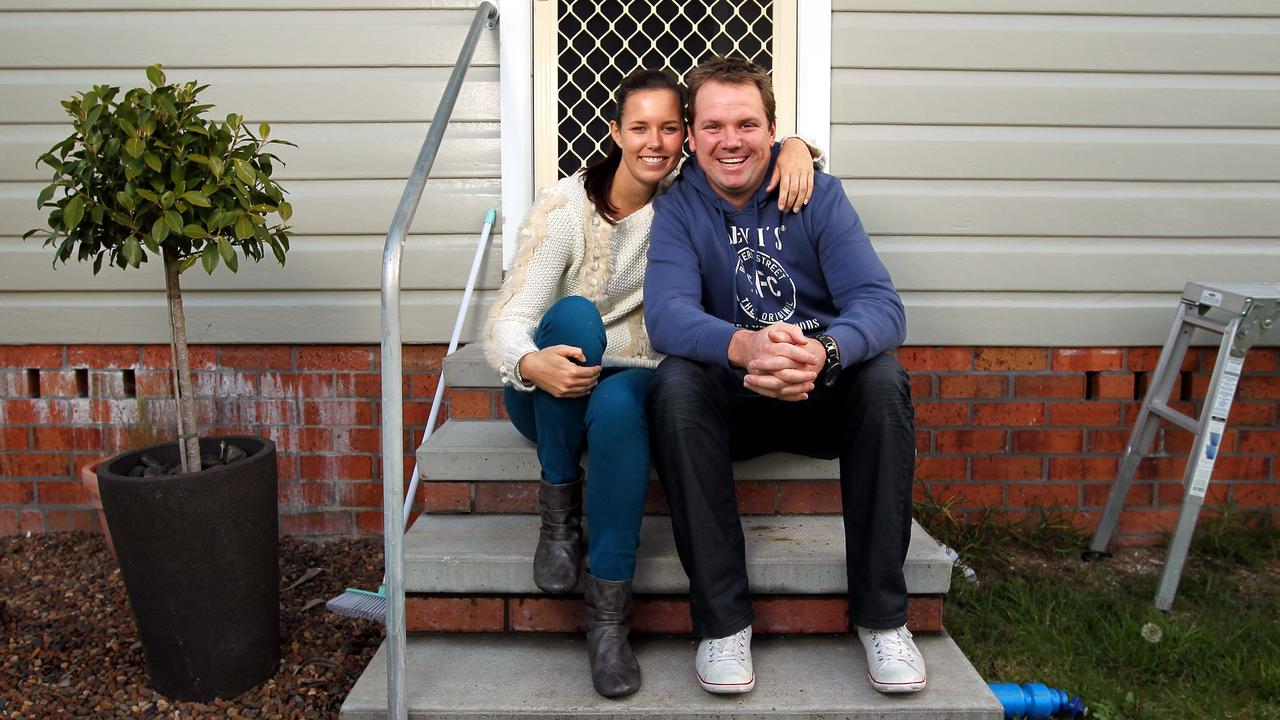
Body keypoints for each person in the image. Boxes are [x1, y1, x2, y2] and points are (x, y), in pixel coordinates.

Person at [484, 67, 819, 699]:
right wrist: (529, 364)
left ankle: (608, 623)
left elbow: (744, 151)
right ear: (615, 132)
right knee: (578, 317)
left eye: (670, 127)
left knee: (621, 397)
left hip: (624, 386)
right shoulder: (565, 209)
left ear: (686, 137)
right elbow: (510, 320)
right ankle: (559, 516)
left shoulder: (687, 199)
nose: (655, 142)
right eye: (640, 127)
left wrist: (798, 147)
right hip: (544, 386)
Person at [643, 56, 925, 696]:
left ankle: (883, 620)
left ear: (773, 131)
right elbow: (667, 315)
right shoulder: (680, 207)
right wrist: (744, 347)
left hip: (818, 388)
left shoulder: (819, 195)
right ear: (691, 136)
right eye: (713, 126)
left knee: (884, 382)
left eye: (746, 124)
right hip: (735, 395)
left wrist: (822, 352)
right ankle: (722, 626)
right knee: (675, 388)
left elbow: (882, 306)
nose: (730, 141)